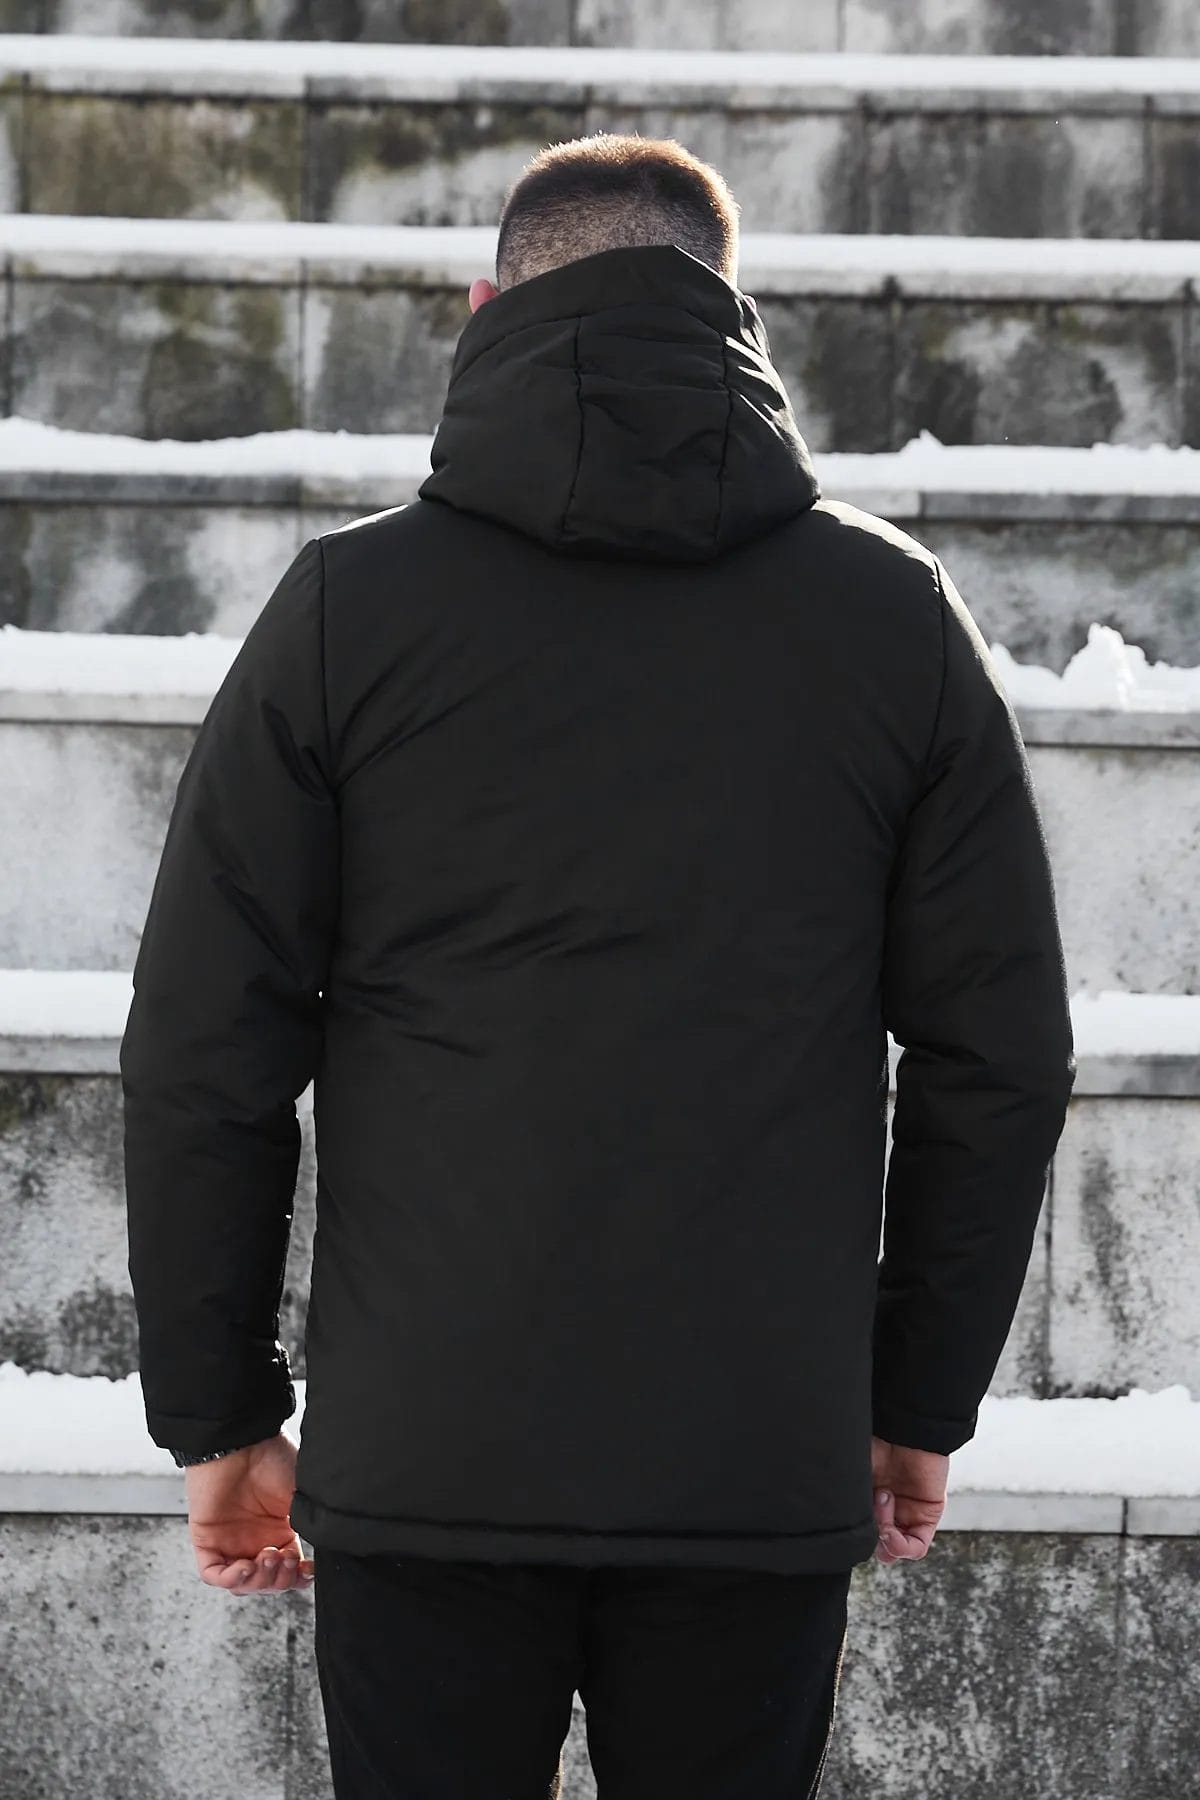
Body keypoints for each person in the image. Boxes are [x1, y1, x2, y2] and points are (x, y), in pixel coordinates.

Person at [121, 133, 1076, 1798]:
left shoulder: (347, 611)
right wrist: (916, 1397)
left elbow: (208, 1044)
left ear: (483, 309)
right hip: (753, 1461)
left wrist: (218, 1414)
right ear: (734, 316)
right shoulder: (896, 617)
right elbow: (998, 1054)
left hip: (429, 1455)